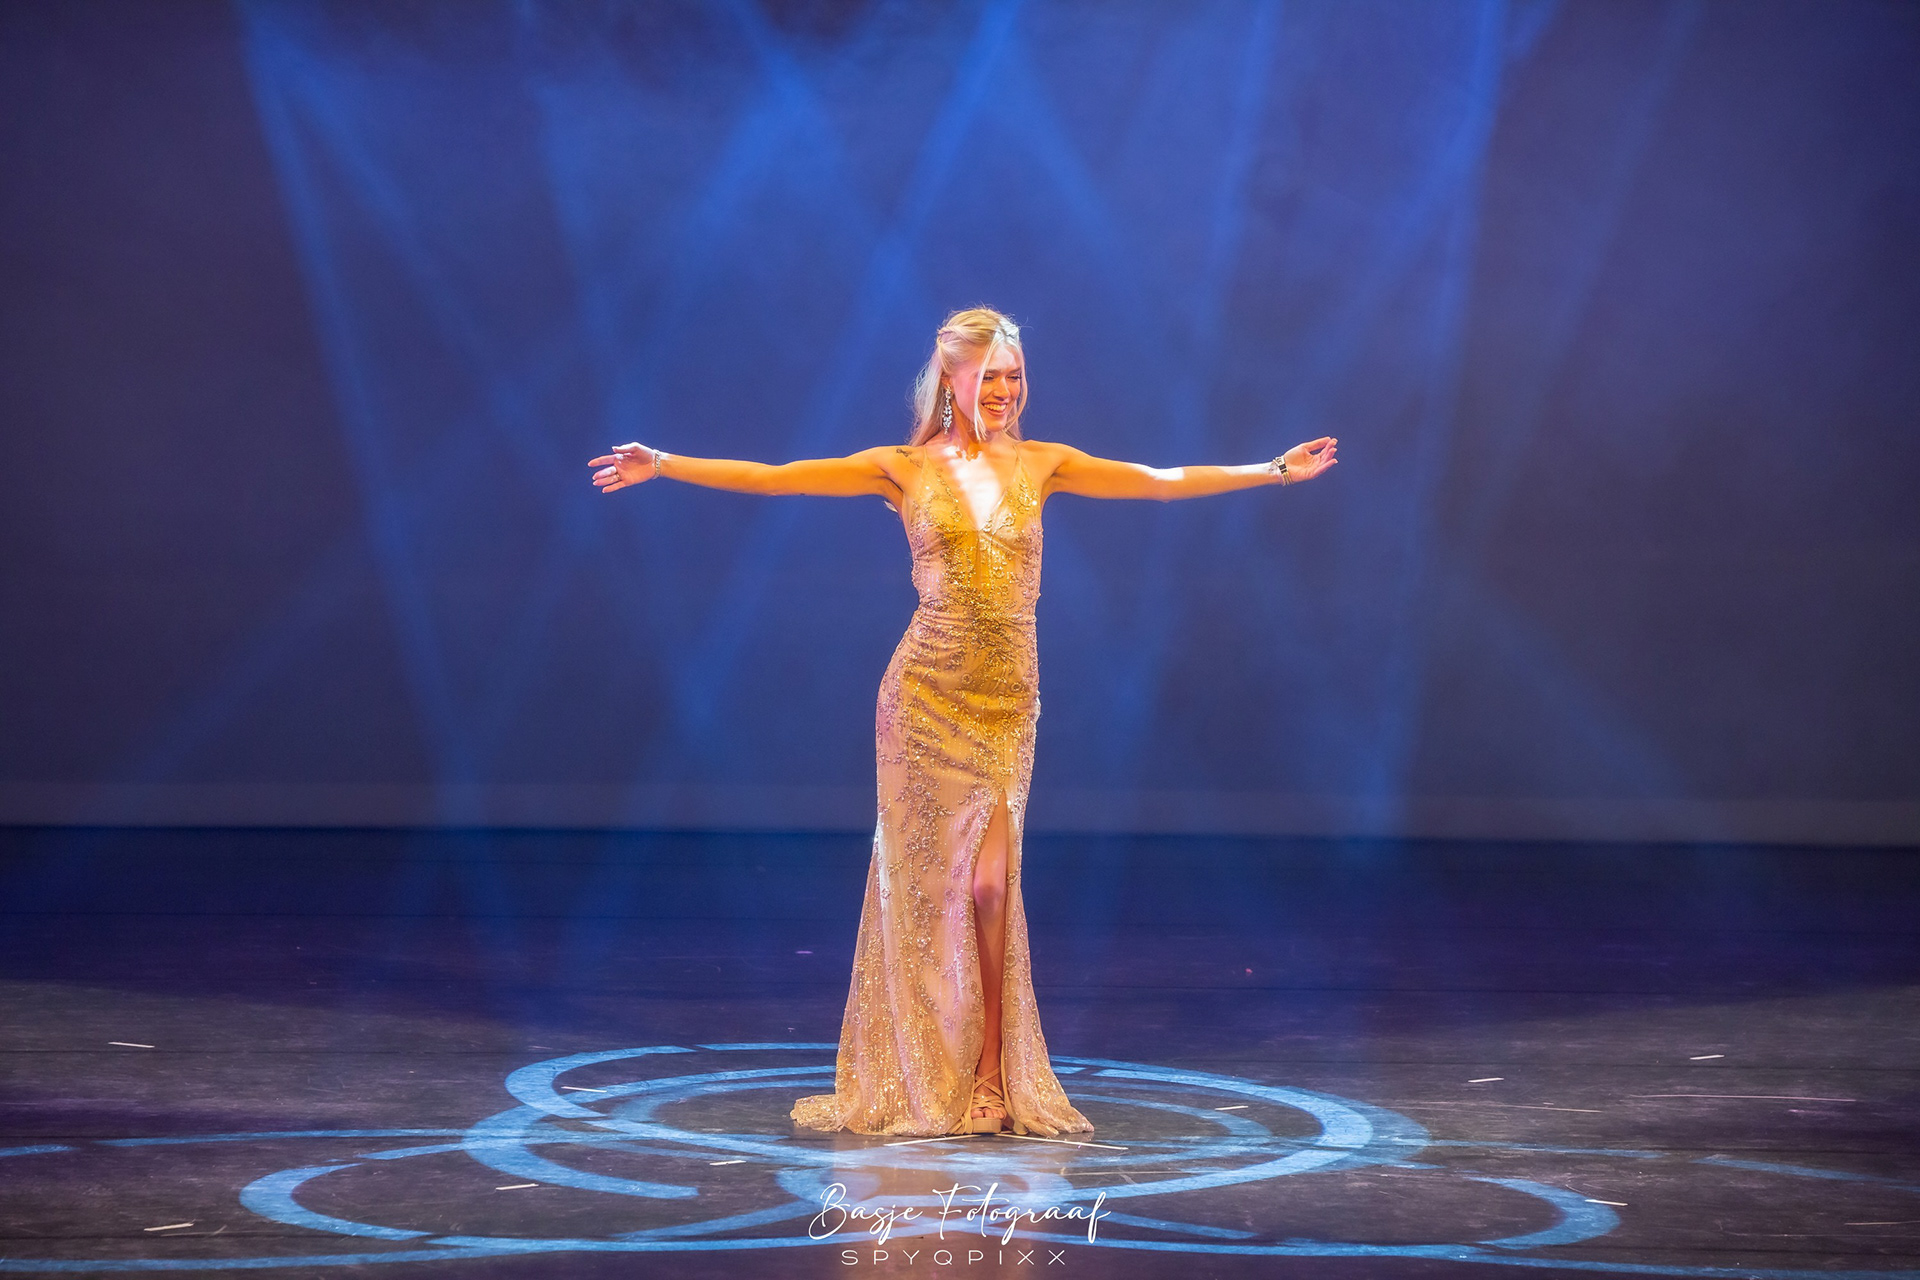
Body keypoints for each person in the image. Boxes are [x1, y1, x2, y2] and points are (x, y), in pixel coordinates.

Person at [589, 307, 1337, 1138]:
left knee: (988, 887)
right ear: (952, 380)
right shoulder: (902, 468)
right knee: (929, 891)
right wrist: (663, 464)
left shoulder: (1045, 463)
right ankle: (937, 1071)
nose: (1006, 392)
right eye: (991, 378)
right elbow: (777, 476)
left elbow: (1159, 479)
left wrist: (1274, 469)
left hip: (1005, 703)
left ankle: (991, 1073)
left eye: (1016, 377)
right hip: (923, 697)